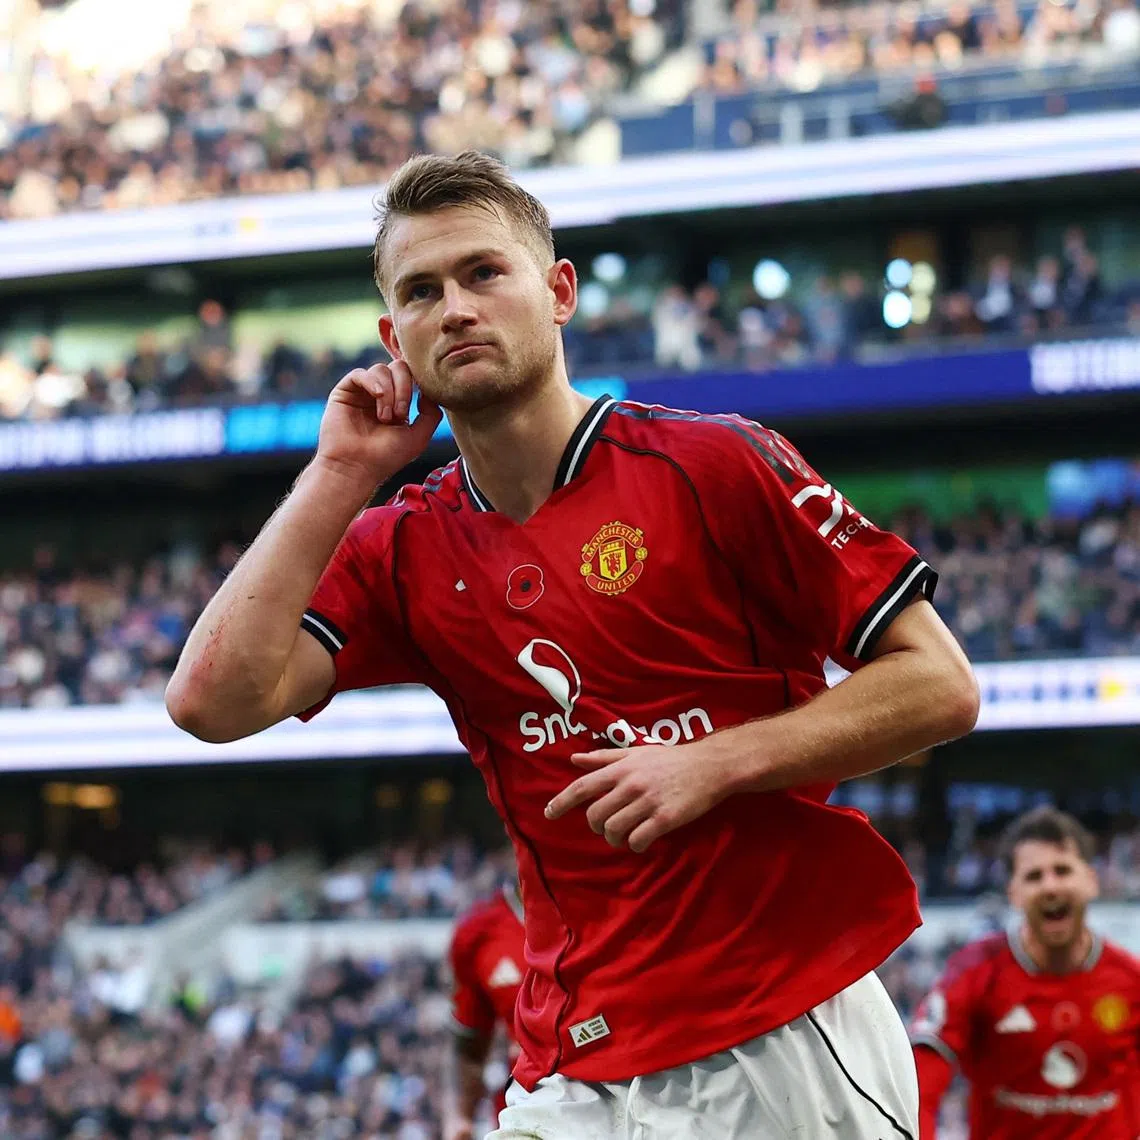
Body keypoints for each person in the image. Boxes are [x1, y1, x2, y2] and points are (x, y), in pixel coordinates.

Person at [166, 150, 980, 1138]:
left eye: (483, 273)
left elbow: (940, 684)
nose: (455, 309)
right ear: (393, 338)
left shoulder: (713, 463)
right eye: (421, 292)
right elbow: (210, 702)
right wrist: (340, 473)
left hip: (780, 1027)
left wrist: (713, 762)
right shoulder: (402, 546)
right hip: (575, 1054)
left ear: (558, 293)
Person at [911, 806, 1140, 1138]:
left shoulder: (1130, 980)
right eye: (1034, 876)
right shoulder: (974, 972)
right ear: (1013, 893)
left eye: (1062, 870)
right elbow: (920, 1082)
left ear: (1091, 881)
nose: (1050, 886)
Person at [444, 877, 527, 1140]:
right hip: (526, 1108)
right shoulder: (478, 932)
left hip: (616, 1097)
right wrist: (459, 1116)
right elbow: (469, 1046)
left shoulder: (611, 904)